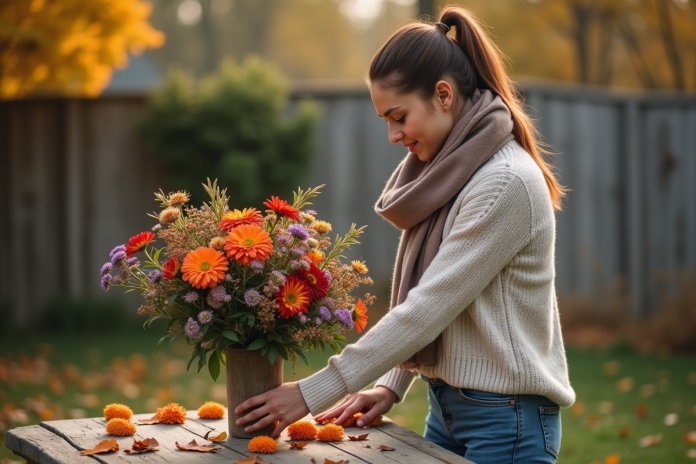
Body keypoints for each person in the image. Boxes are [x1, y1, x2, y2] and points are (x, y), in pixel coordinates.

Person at [234, 6, 575, 463]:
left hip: (506, 419)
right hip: (451, 406)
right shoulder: (453, 172)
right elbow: (442, 303)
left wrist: (314, 392)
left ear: (443, 94)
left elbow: (429, 306)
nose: (393, 135)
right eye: (385, 121)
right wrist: (391, 384)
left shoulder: (503, 183)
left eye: (399, 116)